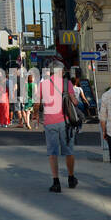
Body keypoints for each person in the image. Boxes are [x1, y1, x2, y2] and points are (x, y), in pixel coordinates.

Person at [38, 62, 77, 192]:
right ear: (61, 71)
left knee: (52, 153)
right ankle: (71, 178)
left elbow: (37, 104)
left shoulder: (43, 84)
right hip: (65, 122)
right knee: (69, 151)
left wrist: (35, 115)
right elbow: (75, 102)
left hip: (49, 123)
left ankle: (56, 182)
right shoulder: (67, 83)